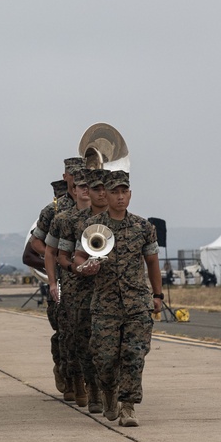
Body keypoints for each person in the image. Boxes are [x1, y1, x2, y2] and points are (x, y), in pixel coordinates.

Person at [74, 170, 163, 427]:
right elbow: (78, 257)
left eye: (124, 191)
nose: (120, 197)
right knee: (104, 358)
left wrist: (157, 295)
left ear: (130, 194)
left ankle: (128, 406)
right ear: (105, 194)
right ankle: (109, 391)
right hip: (105, 304)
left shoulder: (144, 227)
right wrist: (85, 267)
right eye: (115, 192)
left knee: (134, 356)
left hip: (137, 303)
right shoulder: (93, 226)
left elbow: (152, 262)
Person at [25, 158, 83, 396]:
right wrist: (56, 254)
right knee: (66, 331)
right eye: (73, 174)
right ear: (65, 177)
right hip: (63, 278)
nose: (78, 179)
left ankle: (90, 381)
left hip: (92, 280)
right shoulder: (54, 210)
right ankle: (68, 374)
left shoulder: (98, 205)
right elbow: (34, 244)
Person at [60, 168, 110, 414]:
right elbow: (59, 254)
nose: (101, 193)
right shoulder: (71, 220)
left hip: (113, 293)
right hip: (80, 291)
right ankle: (91, 389)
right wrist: (76, 268)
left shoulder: (129, 222)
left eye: (105, 188)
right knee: (84, 344)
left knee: (112, 345)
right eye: (96, 188)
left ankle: (110, 389)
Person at [46, 169, 90, 405]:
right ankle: (74, 379)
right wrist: (53, 282)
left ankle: (95, 385)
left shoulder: (105, 217)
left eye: (90, 186)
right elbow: (50, 252)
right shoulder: (62, 219)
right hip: (71, 285)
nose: (85, 190)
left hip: (99, 287)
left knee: (96, 338)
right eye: (81, 185)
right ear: (74, 188)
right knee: (70, 337)